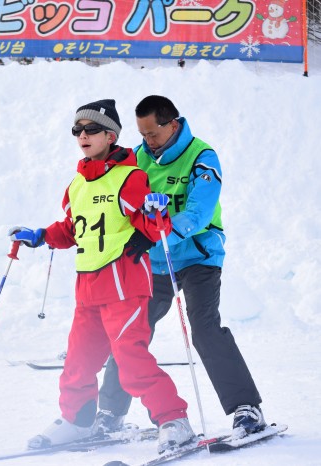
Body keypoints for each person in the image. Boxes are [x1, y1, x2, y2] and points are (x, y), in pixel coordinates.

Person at [10, 99, 194, 454]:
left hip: (124, 284)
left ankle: (174, 420)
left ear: (110, 136)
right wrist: (41, 235)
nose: (82, 135)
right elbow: (71, 229)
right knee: (78, 363)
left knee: (130, 361)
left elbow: (155, 226)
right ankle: (77, 421)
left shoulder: (130, 176)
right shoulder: (76, 185)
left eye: (91, 129)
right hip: (88, 287)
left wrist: (156, 212)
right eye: (77, 130)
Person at [96, 95, 265, 438]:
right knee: (131, 331)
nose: (148, 141)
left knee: (203, 327)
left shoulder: (202, 157)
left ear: (172, 124)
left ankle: (246, 408)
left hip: (199, 256)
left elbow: (198, 214)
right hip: (156, 261)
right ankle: (110, 411)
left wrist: (156, 235)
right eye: (142, 134)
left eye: (153, 133)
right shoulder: (141, 157)